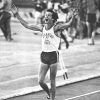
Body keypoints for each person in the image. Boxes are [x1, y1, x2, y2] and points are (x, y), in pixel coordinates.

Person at [11, 5, 75, 100]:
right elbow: (27, 25)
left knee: (52, 81)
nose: (46, 16)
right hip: (44, 55)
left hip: (53, 56)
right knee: (40, 81)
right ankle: (49, 93)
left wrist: (73, 16)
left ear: (53, 19)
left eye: (48, 15)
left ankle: (52, 98)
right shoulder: (42, 27)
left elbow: (69, 24)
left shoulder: (57, 28)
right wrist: (17, 15)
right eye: (45, 15)